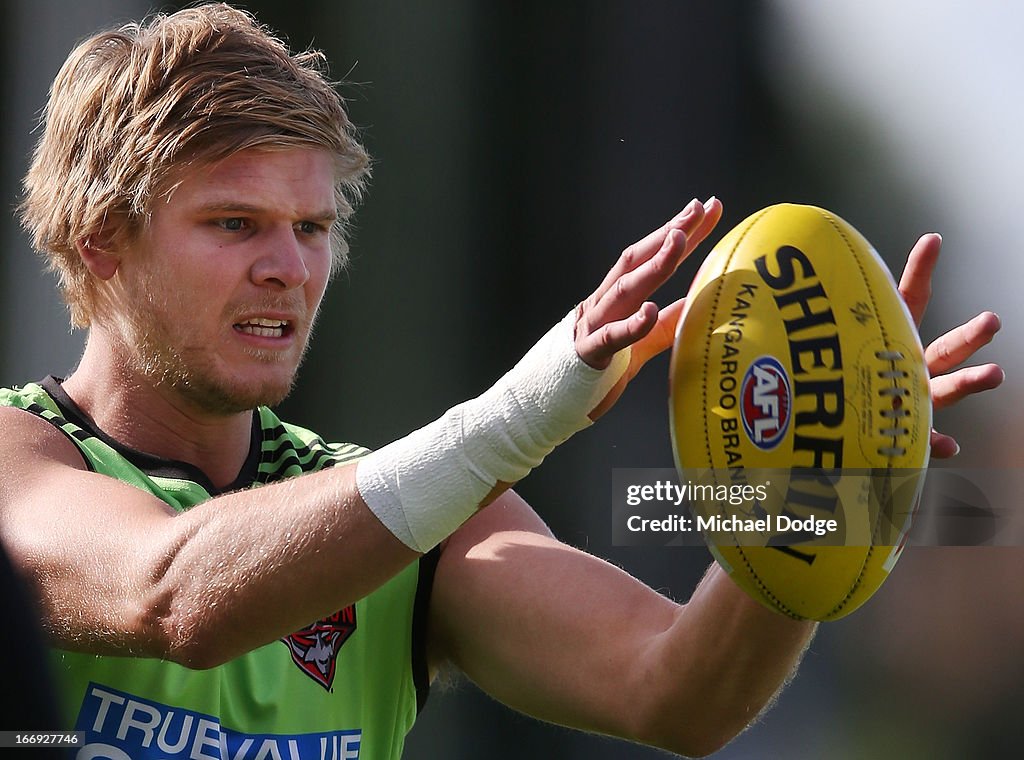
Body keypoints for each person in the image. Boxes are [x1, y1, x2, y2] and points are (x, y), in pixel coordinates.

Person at [0, 4, 1003, 759]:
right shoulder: (18, 457)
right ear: (101, 245)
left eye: (310, 228)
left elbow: (672, 691)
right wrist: (522, 411)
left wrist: (827, 483)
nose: (288, 267)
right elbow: (169, 593)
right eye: (234, 223)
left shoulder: (415, 524)